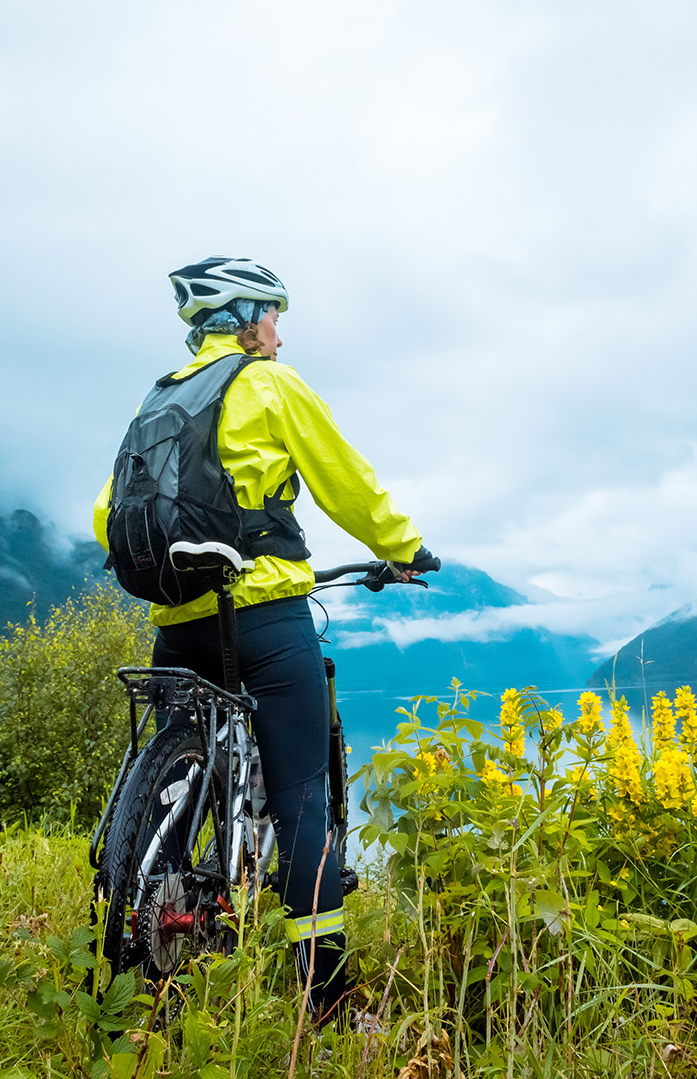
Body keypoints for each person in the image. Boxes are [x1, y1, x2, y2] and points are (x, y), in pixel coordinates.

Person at [92, 256, 434, 1021]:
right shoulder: (271, 385)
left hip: (177, 626)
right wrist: (405, 547)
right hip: (266, 622)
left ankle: (143, 901)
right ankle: (330, 998)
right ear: (247, 320)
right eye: (273, 315)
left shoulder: (156, 405)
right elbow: (347, 481)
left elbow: (105, 513)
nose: (279, 332)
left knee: (180, 768)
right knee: (302, 797)